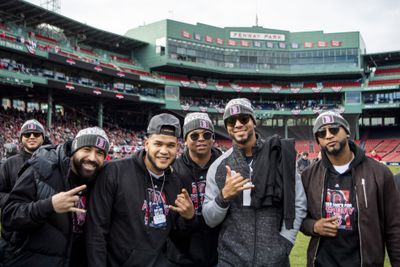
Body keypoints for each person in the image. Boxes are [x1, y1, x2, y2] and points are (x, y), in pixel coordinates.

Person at [202, 98, 307, 266]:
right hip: (230, 261)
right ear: (227, 127)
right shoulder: (218, 166)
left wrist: (286, 242)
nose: (237, 124)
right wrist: (224, 197)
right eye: (231, 121)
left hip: (275, 261)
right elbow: (209, 219)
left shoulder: (278, 155)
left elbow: (298, 202)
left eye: (243, 119)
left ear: (253, 121)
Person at [86, 113, 195, 267]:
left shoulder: (175, 182)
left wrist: (188, 218)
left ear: (177, 147)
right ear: (146, 144)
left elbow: (176, 235)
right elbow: (96, 231)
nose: (164, 151)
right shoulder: (114, 172)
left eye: (170, 145)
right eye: (158, 144)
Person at [301, 111, 400, 266]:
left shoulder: (380, 173)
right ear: (318, 141)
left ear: (347, 132)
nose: (328, 135)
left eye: (334, 129)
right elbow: (298, 218)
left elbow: (394, 228)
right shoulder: (308, 176)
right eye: (322, 133)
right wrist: (313, 226)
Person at [1, 126, 110, 267]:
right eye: (87, 149)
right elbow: (9, 215)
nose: (92, 158)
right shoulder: (41, 168)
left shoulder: (99, 179)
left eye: (100, 153)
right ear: (75, 149)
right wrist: (50, 205)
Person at [170, 112, 222, 266]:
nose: (201, 139)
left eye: (207, 135)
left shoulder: (225, 166)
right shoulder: (173, 170)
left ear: (213, 139)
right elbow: (171, 224)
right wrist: (188, 218)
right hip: (184, 256)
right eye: (194, 135)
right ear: (185, 140)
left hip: (221, 254)